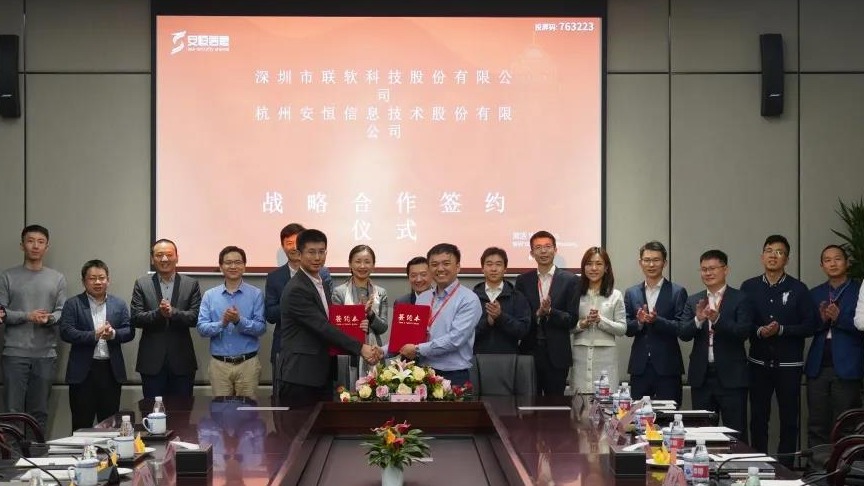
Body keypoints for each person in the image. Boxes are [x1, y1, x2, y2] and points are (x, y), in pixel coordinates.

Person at [279, 229, 382, 407]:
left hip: (321, 372)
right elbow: (322, 327)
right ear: (299, 254)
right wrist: (360, 347)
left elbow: (332, 323)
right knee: (301, 424)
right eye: (311, 252)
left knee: (322, 423)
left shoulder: (321, 283)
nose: (317, 257)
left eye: (321, 252)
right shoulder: (297, 289)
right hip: (301, 375)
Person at [742, 235, 817, 464]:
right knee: (758, 419)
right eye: (769, 251)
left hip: (789, 366)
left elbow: (811, 325)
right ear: (762, 256)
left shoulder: (798, 289)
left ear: (787, 259)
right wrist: (759, 331)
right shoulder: (749, 287)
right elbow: (742, 323)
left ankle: (785, 468)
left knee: (789, 420)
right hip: (758, 364)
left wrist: (782, 330)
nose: (773, 256)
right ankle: (758, 466)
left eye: (779, 252)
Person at [679, 250, 754, 440]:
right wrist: (698, 319)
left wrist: (717, 319)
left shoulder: (740, 298)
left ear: (725, 269)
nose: (708, 273)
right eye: (704, 269)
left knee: (735, 434)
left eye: (712, 268)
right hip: (702, 377)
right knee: (702, 435)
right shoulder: (694, 300)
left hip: (732, 377)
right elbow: (683, 334)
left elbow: (743, 332)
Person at [0, 224, 66, 434]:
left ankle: (37, 451)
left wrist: (48, 319)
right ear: (22, 245)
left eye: (40, 242)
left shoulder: (57, 278)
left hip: (45, 354)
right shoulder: (7, 276)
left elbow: (62, 312)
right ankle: (11, 454)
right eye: (30, 241)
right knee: (12, 411)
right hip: (14, 353)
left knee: (40, 412)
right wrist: (27, 316)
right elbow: (1, 312)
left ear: (47, 246)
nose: (35, 246)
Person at [59, 260, 134, 431]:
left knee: (110, 426)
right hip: (83, 373)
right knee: (81, 424)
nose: (98, 282)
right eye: (92, 278)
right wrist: (94, 335)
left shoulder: (119, 304)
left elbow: (129, 331)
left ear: (108, 280)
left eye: (101, 278)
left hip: (110, 372)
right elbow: (66, 332)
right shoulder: (73, 304)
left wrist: (112, 334)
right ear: (84, 281)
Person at [805, 245, 863, 449]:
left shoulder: (859, 290)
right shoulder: (815, 293)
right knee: (816, 424)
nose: (833, 263)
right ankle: (816, 466)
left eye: (838, 259)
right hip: (818, 366)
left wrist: (839, 319)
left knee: (845, 425)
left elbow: (862, 326)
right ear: (822, 266)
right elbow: (807, 327)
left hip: (848, 366)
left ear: (847, 263)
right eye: (827, 260)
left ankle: (844, 467)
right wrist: (822, 320)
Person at [399, 243, 482, 387]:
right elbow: (410, 334)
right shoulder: (423, 298)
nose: (440, 268)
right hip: (423, 373)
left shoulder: (469, 299)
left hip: (454, 376)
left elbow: (455, 340)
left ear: (458, 267)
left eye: (446, 263)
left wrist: (417, 349)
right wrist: (381, 351)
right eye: (434, 264)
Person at [265, 223, 332, 396]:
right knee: (288, 404)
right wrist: (293, 305)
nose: (294, 247)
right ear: (283, 246)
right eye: (289, 243)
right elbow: (270, 314)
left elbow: (327, 313)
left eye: (297, 242)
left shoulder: (323, 276)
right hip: (288, 350)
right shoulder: (275, 277)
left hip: (319, 352)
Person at [131, 239, 202, 398]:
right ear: (152, 259)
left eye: (169, 254)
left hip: (182, 361)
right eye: (159, 255)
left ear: (177, 257)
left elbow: (195, 317)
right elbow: (136, 318)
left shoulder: (191, 284)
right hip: (151, 362)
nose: (164, 259)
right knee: (152, 409)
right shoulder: (142, 284)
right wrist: (159, 313)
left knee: (182, 411)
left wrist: (173, 313)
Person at [515, 231, 580, 396]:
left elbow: (572, 319)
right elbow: (519, 317)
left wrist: (550, 311)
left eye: (547, 246)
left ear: (555, 250)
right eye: (538, 248)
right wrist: (537, 314)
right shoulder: (523, 281)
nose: (543, 251)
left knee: (556, 405)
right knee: (529, 404)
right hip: (529, 353)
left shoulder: (570, 280)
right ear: (532, 253)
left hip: (557, 355)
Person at [197, 246, 266, 398]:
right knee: (221, 411)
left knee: (248, 411)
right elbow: (201, 329)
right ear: (221, 266)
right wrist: (222, 323)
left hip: (248, 364)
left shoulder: (256, 294)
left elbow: (261, 328)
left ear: (244, 266)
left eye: (238, 262)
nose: (233, 266)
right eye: (228, 263)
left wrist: (239, 321)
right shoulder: (210, 295)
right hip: (219, 365)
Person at [624, 240, 687, 404]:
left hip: (668, 367)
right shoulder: (631, 293)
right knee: (637, 415)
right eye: (647, 260)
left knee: (669, 415)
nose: (651, 264)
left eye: (656, 260)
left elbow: (682, 328)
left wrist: (657, 320)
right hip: (640, 367)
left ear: (664, 263)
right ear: (640, 263)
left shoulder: (677, 292)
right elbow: (627, 328)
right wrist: (639, 322)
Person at [570, 247, 626, 394]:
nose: (593, 268)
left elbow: (622, 329)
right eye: (589, 264)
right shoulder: (575, 294)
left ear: (606, 268)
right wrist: (582, 324)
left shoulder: (615, 295)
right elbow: (567, 327)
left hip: (606, 358)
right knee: (579, 402)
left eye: (599, 264)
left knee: (605, 402)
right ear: (583, 268)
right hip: (580, 357)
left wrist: (601, 321)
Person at [473, 247, 531, 354]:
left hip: (510, 358)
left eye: (498, 264)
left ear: (505, 269)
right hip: (477, 357)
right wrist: (487, 322)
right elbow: (465, 334)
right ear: (482, 268)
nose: (494, 269)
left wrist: (500, 317)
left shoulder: (517, 297)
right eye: (489, 264)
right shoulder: (472, 297)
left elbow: (523, 331)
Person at [331, 245, 389, 346]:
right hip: (347, 349)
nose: (362, 266)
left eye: (367, 262)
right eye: (358, 261)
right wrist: (358, 321)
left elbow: (383, 328)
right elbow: (336, 327)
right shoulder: (339, 292)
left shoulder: (381, 293)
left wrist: (370, 314)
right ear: (350, 264)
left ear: (373, 265)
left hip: (374, 349)